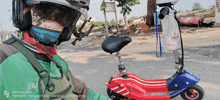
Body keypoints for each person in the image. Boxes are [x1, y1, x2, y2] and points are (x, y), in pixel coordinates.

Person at [0, 0, 111, 100]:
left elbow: (84, 94)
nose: (53, 24)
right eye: (45, 13)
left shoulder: (58, 62)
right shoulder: (4, 57)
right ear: (26, 14)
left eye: (63, 17)